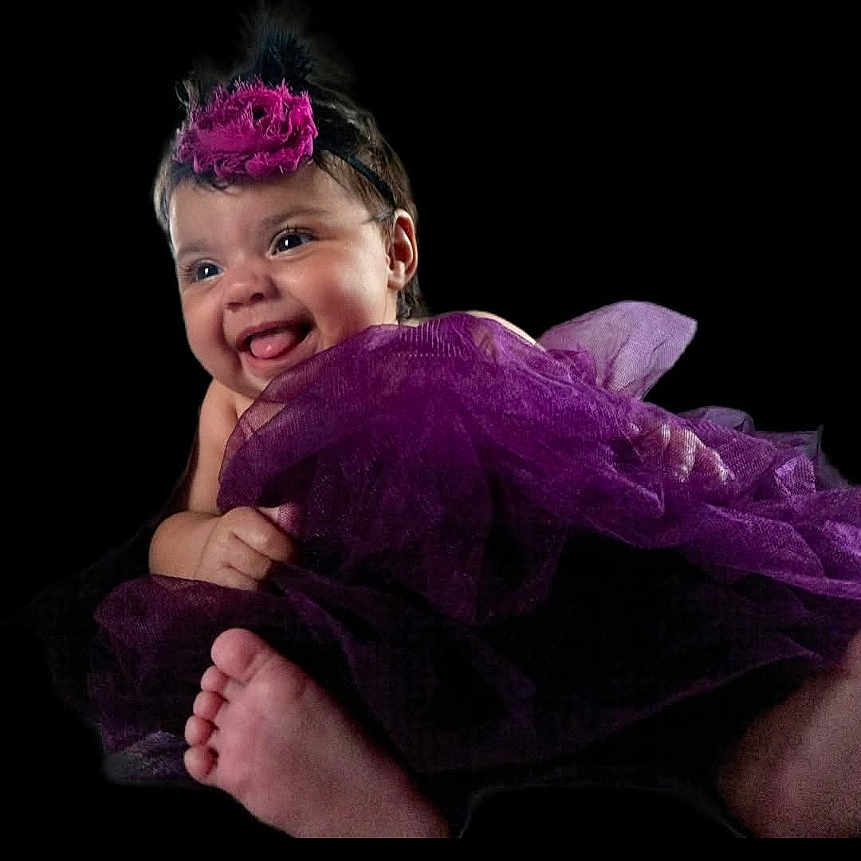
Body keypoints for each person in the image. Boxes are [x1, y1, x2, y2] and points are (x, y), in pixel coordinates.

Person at [81, 11, 859, 838]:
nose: (241, 286)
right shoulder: (231, 406)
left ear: (397, 254)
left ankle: (784, 761)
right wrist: (205, 544)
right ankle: (365, 797)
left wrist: (652, 446)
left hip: (568, 624)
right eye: (203, 268)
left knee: (693, 657)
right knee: (301, 667)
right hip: (375, 655)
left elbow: (595, 424)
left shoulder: (464, 346)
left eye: (288, 238)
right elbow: (180, 527)